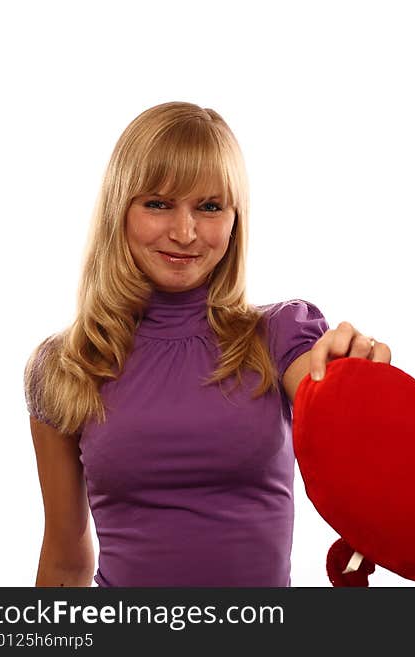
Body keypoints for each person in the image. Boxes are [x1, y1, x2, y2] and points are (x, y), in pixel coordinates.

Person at [24, 102, 389, 587]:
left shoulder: (280, 334)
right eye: (158, 203)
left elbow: (344, 413)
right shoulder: (65, 366)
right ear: (120, 209)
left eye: (209, 207)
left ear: (235, 220)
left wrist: (357, 383)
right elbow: (66, 562)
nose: (184, 232)